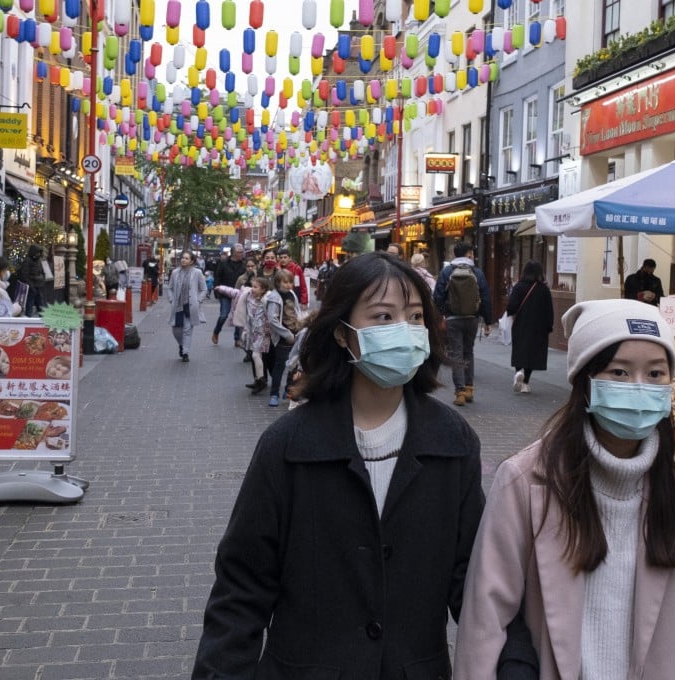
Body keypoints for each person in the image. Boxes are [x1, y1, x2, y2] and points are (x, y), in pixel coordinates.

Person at [192, 251, 531, 678]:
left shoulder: (452, 441)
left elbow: (478, 582)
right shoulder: (288, 445)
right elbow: (241, 589)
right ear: (341, 333)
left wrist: (517, 663)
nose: (404, 332)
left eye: (414, 317)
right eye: (383, 317)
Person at [453, 299, 675, 680]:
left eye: (656, 373)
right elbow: (485, 617)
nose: (639, 387)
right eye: (620, 373)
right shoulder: (526, 481)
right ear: (585, 381)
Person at [433, 242, 494, 406]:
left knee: (456, 354)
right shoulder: (477, 272)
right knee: (469, 352)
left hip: (452, 319)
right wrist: (487, 321)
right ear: (468, 254)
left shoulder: (447, 271)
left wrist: (440, 315)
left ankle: (459, 392)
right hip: (472, 319)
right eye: (471, 253)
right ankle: (469, 389)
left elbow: (437, 297)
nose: (472, 255)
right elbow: (486, 297)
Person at [505, 261, 555, 395]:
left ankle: (518, 372)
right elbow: (549, 310)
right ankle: (526, 382)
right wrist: (549, 326)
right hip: (539, 327)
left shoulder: (519, 287)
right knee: (533, 353)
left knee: (519, 349)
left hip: (520, 324)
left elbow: (511, 306)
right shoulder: (543, 289)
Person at [216, 276, 271, 394]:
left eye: (256, 287)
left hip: (262, 333)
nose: (252, 289)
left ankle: (261, 380)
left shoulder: (268, 300)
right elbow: (234, 292)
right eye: (252, 286)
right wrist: (221, 288)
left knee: (256, 355)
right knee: (253, 355)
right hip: (251, 332)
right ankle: (258, 379)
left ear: (263, 289)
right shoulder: (248, 296)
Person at [264, 268, 302, 407]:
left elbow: (297, 311)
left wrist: (301, 327)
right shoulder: (274, 298)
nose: (288, 285)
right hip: (282, 338)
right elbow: (272, 319)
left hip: (295, 334)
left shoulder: (292, 294)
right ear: (277, 283)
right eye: (285, 282)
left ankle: (288, 389)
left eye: (290, 282)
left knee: (294, 364)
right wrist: (286, 334)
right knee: (279, 366)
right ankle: (274, 394)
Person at [165, 250, 206, 362]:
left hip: (190, 306)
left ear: (192, 261)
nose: (183, 260)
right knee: (176, 329)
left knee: (187, 329)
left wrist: (198, 300)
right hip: (177, 306)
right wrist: (171, 299)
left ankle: (185, 352)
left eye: (187, 258)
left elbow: (203, 289)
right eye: (183, 257)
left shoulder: (197, 273)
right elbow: (170, 288)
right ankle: (181, 345)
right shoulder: (175, 272)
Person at [213, 243, 248, 347]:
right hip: (225, 293)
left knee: (238, 315)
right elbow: (217, 277)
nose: (241, 254)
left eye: (242, 251)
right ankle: (216, 331)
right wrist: (217, 292)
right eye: (239, 252)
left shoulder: (244, 264)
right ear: (233, 253)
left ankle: (237, 339)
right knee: (223, 315)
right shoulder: (223, 263)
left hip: (239, 294)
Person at [17, 244, 46, 316]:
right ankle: (28, 319)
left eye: (39, 253)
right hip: (31, 287)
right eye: (37, 253)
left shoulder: (39, 261)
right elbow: (24, 275)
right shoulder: (28, 261)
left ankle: (42, 320)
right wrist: (31, 286)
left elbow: (42, 271)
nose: (38, 254)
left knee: (41, 305)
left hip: (38, 286)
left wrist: (42, 280)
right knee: (30, 304)